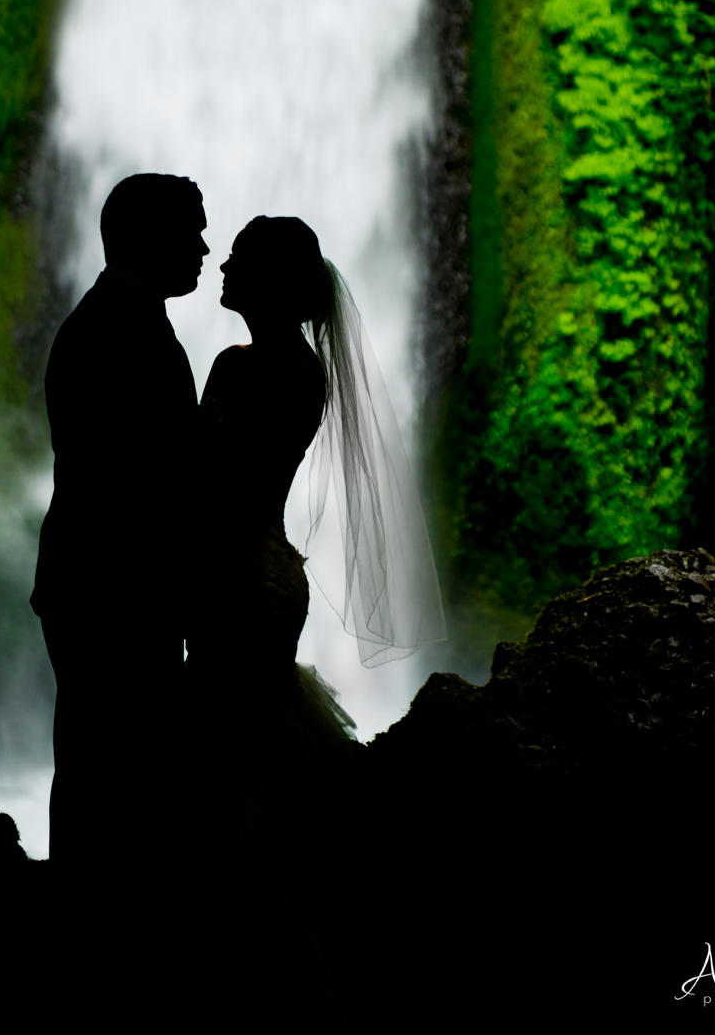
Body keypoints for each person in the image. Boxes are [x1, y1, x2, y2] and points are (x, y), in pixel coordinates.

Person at [182, 214, 446, 885]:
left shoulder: (243, 368)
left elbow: (206, 479)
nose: (223, 265)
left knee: (231, 739)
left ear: (267, 279)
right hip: (269, 565)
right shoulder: (305, 369)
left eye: (238, 256)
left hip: (236, 572)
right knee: (256, 731)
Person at [31, 172, 207, 884]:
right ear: (148, 237)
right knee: (110, 768)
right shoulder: (119, 333)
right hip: (115, 597)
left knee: (97, 766)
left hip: (96, 588)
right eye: (190, 230)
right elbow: (136, 490)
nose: (203, 246)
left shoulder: (108, 322)